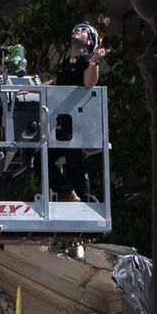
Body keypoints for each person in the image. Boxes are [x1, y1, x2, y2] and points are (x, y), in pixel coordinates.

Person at [43, 22, 107, 201]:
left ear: (90, 41)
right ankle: (65, 192)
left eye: (84, 31)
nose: (77, 30)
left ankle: (85, 206)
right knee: (40, 158)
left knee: (75, 171)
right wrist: (28, 89)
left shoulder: (86, 60)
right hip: (63, 128)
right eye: (76, 28)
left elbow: (89, 83)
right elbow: (56, 82)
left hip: (79, 129)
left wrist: (94, 61)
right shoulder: (66, 63)